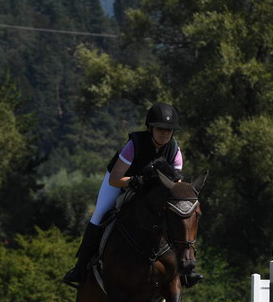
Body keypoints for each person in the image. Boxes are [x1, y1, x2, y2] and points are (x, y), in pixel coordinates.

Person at [62, 102, 202, 288]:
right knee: (99, 214)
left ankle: (184, 271)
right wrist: (134, 181)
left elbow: (175, 186)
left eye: (169, 130)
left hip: (153, 191)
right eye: (160, 128)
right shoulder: (134, 144)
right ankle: (80, 267)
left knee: (174, 219)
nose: (164, 133)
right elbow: (115, 179)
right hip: (122, 182)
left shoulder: (175, 150)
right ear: (150, 128)